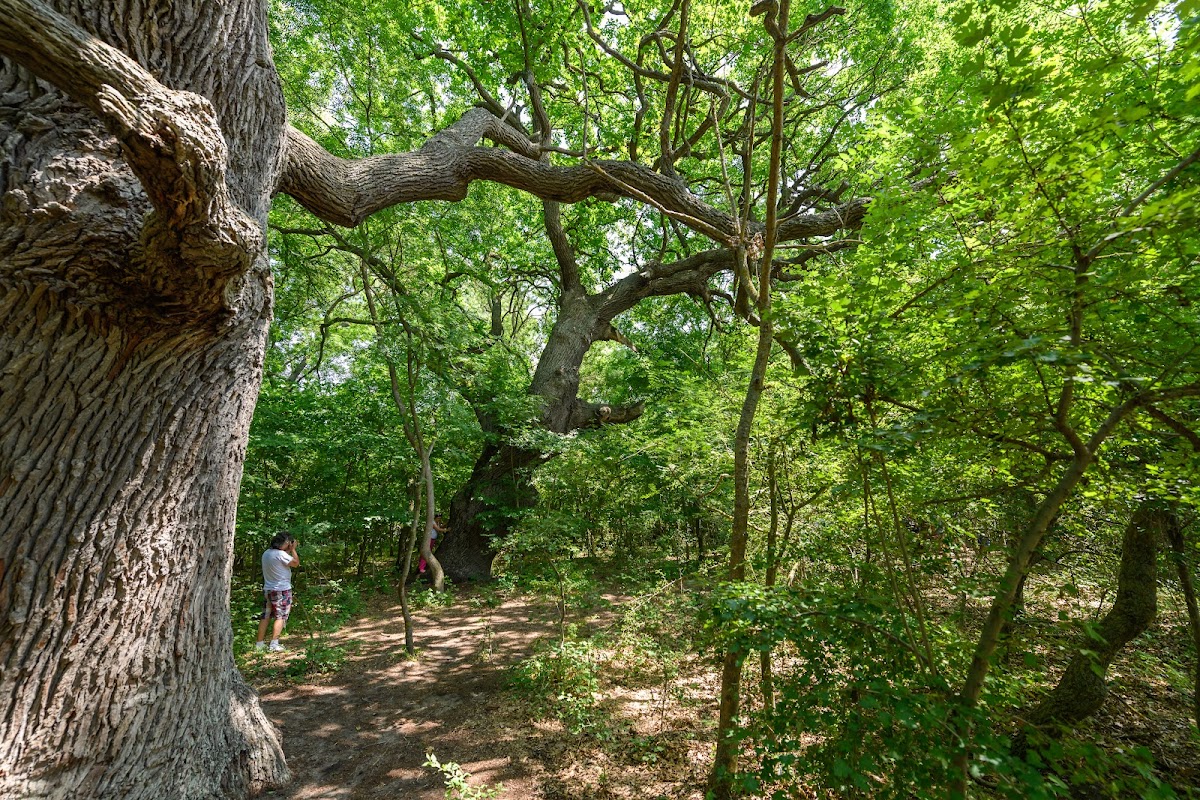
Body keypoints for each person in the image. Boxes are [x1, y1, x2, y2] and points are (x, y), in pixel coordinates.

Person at [256, 531, 299, 652]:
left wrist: (288, 550)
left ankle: (259, 644)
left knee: (266, 616)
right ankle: (274, 644)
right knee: (281, 616)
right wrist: (293, 550)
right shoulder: (280, 554)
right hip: (281, 590)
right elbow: (295, 563)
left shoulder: (267, 553)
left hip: (268, 589)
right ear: (285, 543)